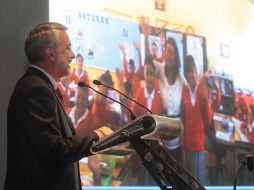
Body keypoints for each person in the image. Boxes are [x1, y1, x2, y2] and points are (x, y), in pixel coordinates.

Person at [4, 22, 112, 190]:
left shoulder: (41, 86)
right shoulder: (36, 89)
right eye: (68, 47)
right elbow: (56, 150)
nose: (72, 54)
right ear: (51, 54)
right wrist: (98, 135)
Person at [181, 55, 211, 184]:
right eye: (188, 72)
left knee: (199, 177)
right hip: (187, 140)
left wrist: (199, 128)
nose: (190, 75)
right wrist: (183, 143)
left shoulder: (202, 89)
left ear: (196, 71)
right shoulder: (184, 90)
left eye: (192, 71)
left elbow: (208, 119)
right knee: (189, 175)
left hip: (198, 141)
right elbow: (183, 118)